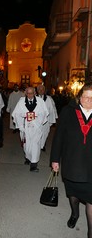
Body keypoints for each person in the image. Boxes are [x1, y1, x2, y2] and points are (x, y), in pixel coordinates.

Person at [50, 82, 92, 238]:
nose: (88, 100)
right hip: (71, 162)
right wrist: (55, 159)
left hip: (90, 166)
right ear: (79, 97)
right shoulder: (68, 112)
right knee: (72, 195)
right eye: (85, 97)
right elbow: (58, 137)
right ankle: (75, 214)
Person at [12, 87, 49, 172]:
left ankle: (34, 164)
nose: (30, 95)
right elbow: (16, 114)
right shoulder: (21, 102)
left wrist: (36, 116)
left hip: (37, 127)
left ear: (35, 93)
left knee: (35, 144)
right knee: (26, 145)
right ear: (25, 93)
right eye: (28, 93)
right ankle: (28, 158)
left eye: (31, 93)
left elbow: (44, 113)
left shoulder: (40, 101)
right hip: (25, 127)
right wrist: (24, 117)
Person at [36, 84, 58, 151]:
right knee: (37, 133)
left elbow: (53, 108)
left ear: (44, 90)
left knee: (45, 132)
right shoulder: (34, 98)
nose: (41, 91)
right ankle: (37, 145)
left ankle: (43, 145)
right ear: (37, 90)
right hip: (36, 120)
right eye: (39, 89)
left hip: (46, 119)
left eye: (42, 89)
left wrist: (55, 117)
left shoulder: (49, 98)